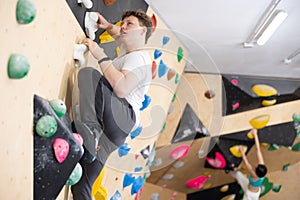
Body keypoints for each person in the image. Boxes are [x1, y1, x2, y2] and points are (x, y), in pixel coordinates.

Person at [71, 10, 153, 200]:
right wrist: (108, 26)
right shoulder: (131, 52)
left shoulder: (139, 58)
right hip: (115, 132)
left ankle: (91, 130)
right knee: (82, 186)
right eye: (122, 22)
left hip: (121, 115)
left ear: (143, 31)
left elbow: (122, 88)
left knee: (89, 75)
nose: (123, 26)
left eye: (129, 24)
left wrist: (99, 53)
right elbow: (120, 34)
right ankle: (92, 136)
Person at [230, 129, 268, 200]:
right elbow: (258, 150)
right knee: (237, 174)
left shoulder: (254, 175)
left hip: (250, 194)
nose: (256, 164)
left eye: (256, 167)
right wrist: (255, 134)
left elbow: (246, 162)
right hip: (250, 187)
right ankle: (229, 170)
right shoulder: (261, 167)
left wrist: (242, 152)